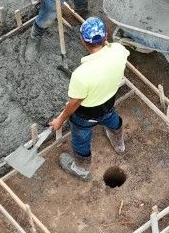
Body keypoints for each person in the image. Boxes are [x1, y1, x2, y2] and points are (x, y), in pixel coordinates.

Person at [49, 16, 128, 180]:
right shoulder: (119, 51)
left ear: (83, 41)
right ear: (106, 36)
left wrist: (60, 119)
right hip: (108, 102)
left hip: (86, 115)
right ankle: (119, 144)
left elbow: (75, 102)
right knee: (111, 119)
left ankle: (81, 169)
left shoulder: (81, 75)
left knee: (80, 139)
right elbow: (110, 47)